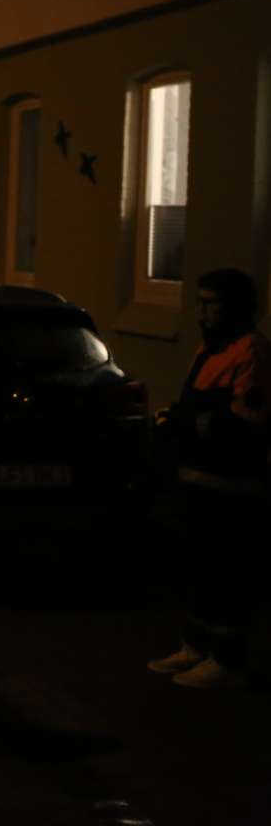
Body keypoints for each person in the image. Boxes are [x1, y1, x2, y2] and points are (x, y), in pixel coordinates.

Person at [149, 267, 271, 690]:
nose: (201, 311)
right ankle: (195, 645)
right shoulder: (210, 348)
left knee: (229, 573)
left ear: (233, 306)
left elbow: (245, 421)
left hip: (232, 487)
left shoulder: (250, 351)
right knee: (201, 570)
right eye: (198, 301)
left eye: (210, 302)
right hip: (199, 480)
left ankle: (226, 656)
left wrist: (189, 423)